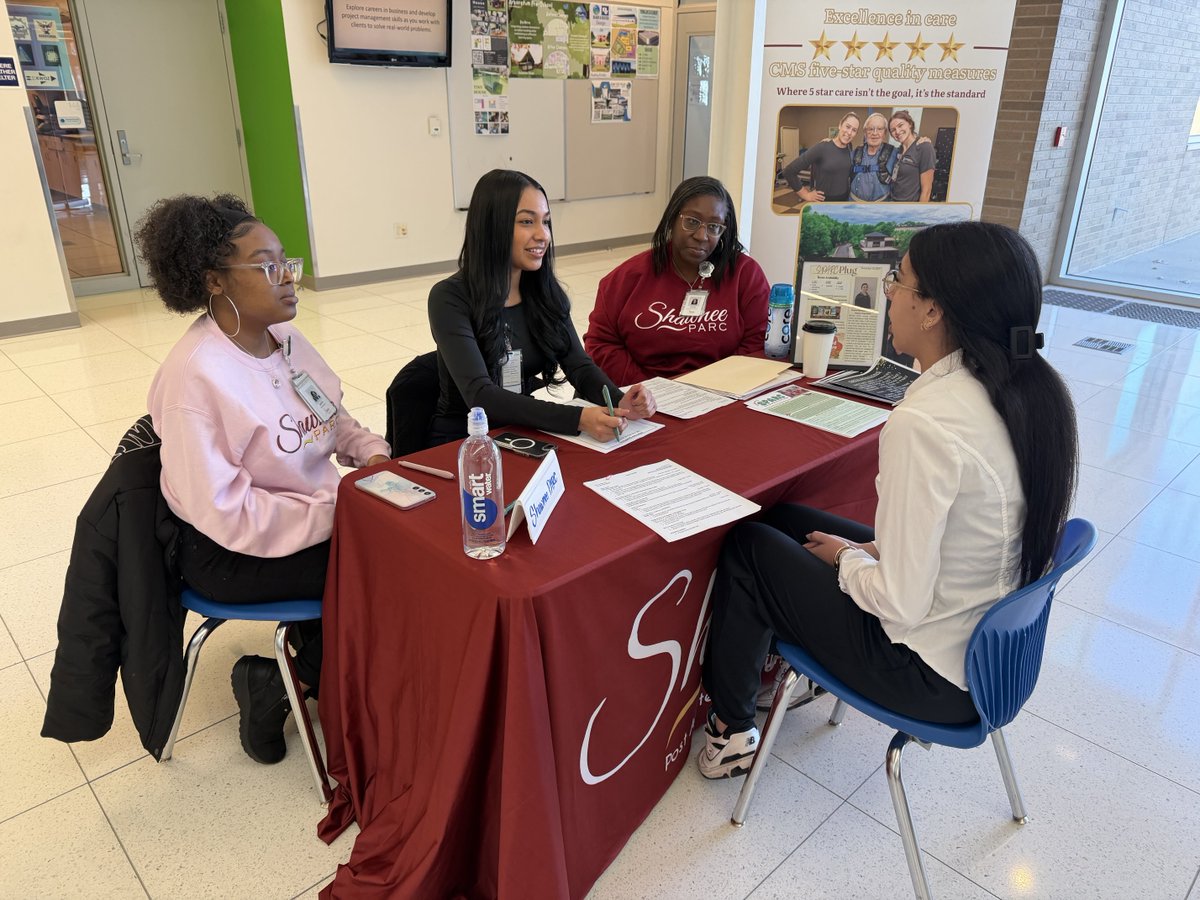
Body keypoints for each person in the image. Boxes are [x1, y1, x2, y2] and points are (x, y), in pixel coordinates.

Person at [697, 221, 1078, 779]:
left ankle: (731, 732)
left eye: (898, 280)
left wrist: (850, 558)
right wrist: (867, 550)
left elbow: (900, 602)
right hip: (991, 659)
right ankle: (766, 673)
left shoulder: (926, 421)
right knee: (777, 517)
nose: (888, 292)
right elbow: (963, 534)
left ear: (933, 311)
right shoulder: (1022, 391)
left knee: (749, 543)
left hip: (929, 674)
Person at [138, 194, 391, 766]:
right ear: (213, 279)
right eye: (267, 265)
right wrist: (340, 513)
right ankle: (276, 683)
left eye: (287, 262)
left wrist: (371, 455)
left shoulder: (286, 340)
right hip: (226, 549)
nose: (288, 278)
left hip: (311, 516)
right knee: (380, 567)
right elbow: (226, 512)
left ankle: (329, 674)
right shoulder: (195, 378)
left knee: (396, 545)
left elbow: (331, 417)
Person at [427, 168, 655, 445]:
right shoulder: (449, 298)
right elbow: (481, 395)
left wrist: (620, 401)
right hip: (465, 441)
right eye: (526, 222)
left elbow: (579, 366)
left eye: (546, 222)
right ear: (492, 226)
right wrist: (578, 419)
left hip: (523, 430)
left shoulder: (542, 293)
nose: (542, 235)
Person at [584, 176, 769, 383]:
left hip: (722, 394)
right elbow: (601, 344)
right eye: (691, 221)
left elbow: (758, 343)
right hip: (642, 397)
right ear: (672, 218)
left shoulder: (745, 275)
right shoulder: (626, 278)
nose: (702, 235)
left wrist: (715, 386)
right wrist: (649, 390)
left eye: (714, 226)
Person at [781, 112, 859, 202]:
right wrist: (805, 194)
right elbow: (789, 171)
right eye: (847, 127)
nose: (849, 132)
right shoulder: (822, 147)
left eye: (854, 130)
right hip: (824, 203)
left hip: (844, 201)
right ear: (840, 125)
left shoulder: (849, 147)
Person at [888, 110, 936, 203]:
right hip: (893, 203)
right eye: (893, 130)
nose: (897, 131)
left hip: (909, 208)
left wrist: (918, 214)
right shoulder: (899, 150)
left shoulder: (924, 147)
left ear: (909, 124)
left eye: (900, 125)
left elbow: (926, 190)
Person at [849, 112, 897, 202]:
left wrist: (921, 142)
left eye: (879, 129)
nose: (875, 133)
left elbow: (911, 150)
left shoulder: (894, 153)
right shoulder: (854, 153)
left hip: (881, 207)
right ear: (865, 132)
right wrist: (831, 143)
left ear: (885, 132)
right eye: (870, 129)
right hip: (854, 204)